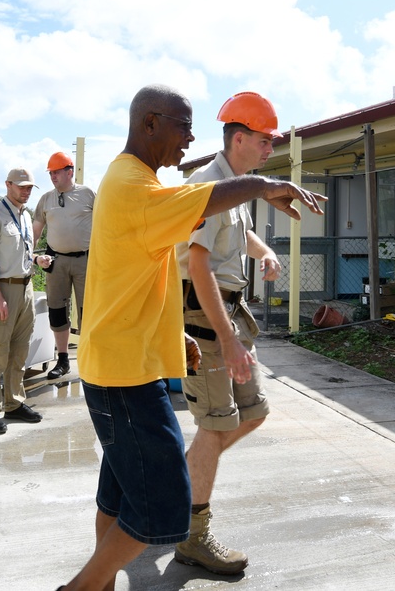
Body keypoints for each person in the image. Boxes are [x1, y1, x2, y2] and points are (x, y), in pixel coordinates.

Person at [61, 84, 325, 590]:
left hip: (125, 362)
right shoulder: (137, 186)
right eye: (184, 126)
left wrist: (172, 332)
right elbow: (199, 226)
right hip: (124, 376)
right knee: (163, 509)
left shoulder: (133, 179)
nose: (190, 138)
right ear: (151, 123)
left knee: (117, 500)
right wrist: (265, 183)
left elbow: (145, 274)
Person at [174, 92, 284, 574]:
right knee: (216, 425)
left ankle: (182, 477)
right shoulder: (208, 186)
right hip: (206, 316)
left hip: (230, 313)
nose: (269, 151)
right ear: (239, 139)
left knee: (252, 412)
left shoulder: (233, 184)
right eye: (264, 142)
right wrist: (230, 338)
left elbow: (235, 235)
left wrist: (262, 252)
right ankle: (193, 535)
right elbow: (197, 264)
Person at [0, 166, 52, 434]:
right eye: (21, 186)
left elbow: (21, 252)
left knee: (20, 351)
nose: (26, 191)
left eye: (30, 187)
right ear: (7, 184)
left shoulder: (25, 215)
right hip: (4, 291)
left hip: (26, 289)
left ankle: (14, 403)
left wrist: (36, 259)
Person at [32, 151, 95, 380]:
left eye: (57, 172)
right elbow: (35, 232)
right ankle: (63, 360)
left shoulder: (88, 194)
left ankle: (91, 360)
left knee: (89, 311)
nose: (53, 177)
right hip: (55, 261)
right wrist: (30, 258)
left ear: (70, 172)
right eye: (50, 173)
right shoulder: (46, 199)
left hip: (86, 261)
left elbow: (104, 227)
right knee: (57, 311)